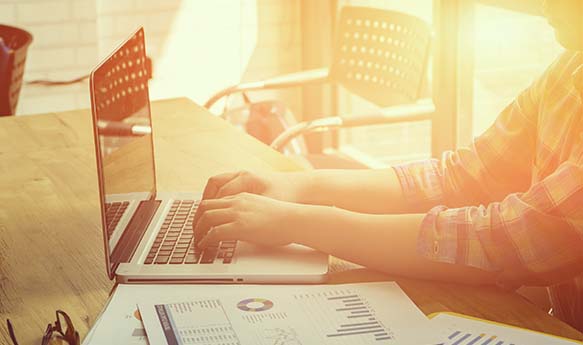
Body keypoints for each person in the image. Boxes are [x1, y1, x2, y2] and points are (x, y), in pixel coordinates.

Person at [193, 0, 583, 331]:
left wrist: (295, 222)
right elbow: (460, 177)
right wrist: (300, 188)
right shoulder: (568, 70)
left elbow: (502, 243)